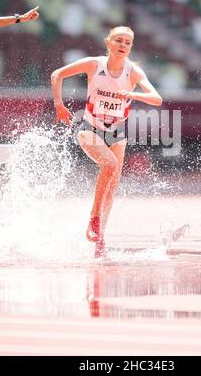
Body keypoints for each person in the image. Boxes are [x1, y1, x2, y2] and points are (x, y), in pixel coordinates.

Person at [51, 26, 162, 258]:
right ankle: (94, 217)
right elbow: (57, 74)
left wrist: (135, 94)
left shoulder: (133, 72)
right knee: (109, 166)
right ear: (109, 43)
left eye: (128, 43)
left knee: (111, 190)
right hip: (89, 128)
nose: (123, 46)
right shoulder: (94, 64)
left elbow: (156, 98)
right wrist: (59, 105)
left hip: (117, 134)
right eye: (119, 41)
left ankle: (100, 241)